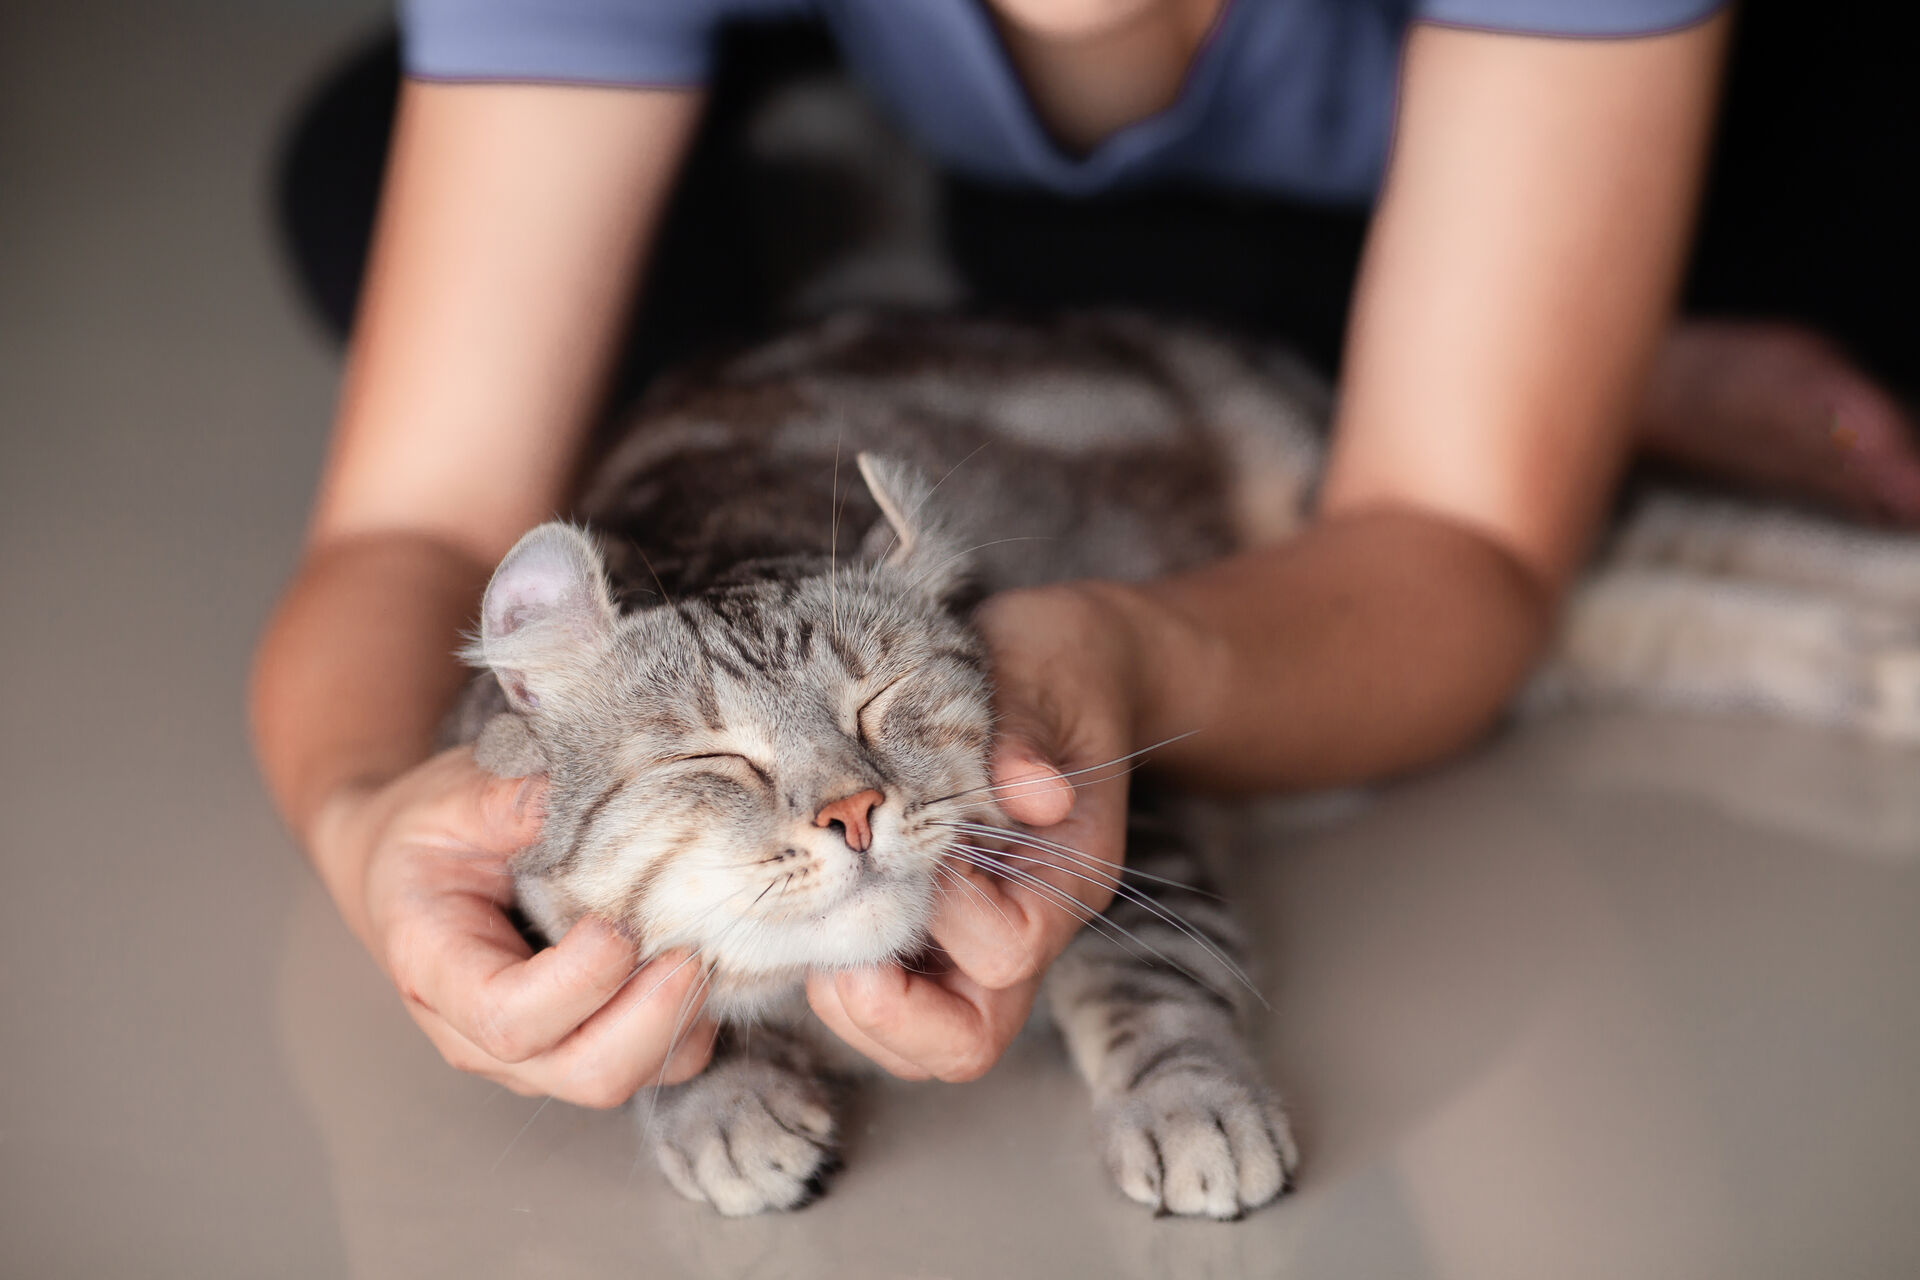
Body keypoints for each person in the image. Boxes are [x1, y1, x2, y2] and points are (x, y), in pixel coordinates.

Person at [252, 0, 1920, 1107]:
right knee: (363, 167)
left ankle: (1571, 312)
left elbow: (1463, 559)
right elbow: (416, 521)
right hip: (1088, 242)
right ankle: (1494, 335)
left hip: (1663, 113)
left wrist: (1119, 652)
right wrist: (361, 819)